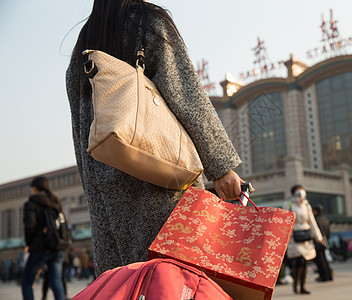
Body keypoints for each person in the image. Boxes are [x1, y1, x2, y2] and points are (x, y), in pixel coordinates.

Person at [66, 1, 243, 276]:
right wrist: (220, 168)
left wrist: (95, 197)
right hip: (163, 181)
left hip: (107, 193)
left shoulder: (84, 44)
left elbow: (80, 131)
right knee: (178, 282)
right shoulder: (148, 22)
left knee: (127, 286)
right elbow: (185, 94)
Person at [21, 176, 66, 300]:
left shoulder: (31, 203)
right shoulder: (55, 202)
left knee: (27, 281)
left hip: (40, 248)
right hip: (57, 247)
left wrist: (28, 243)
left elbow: (29, 227)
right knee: (56, 282)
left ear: (35, 188)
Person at [284, 185, 325, 295]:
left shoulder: (306, 205)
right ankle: (296, 284)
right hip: (294, 237)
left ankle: (302, 286)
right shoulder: (288, 204)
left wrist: (319, 238)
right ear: (293, 193)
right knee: (299, 261)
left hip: (306, 236)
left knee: (305, 262)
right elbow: (284, 221)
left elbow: (312, 222)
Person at [312, 205, 333, 282]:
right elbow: (328, 233)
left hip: (318, 241)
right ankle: (329, 276)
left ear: (316, 211)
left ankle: (323, 276)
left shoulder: (316, 220)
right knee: (324, 260)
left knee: (319, 261)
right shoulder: (325, 219)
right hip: (324, 241)